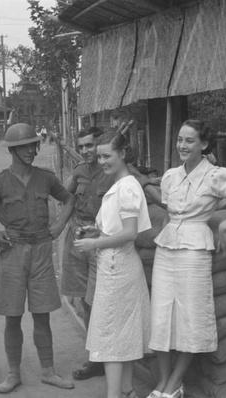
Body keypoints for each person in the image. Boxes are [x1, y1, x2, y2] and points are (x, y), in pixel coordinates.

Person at [148, 120, 226, 398]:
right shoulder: (170, 176)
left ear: (204, 144)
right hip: (166, 250)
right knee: (161, 316)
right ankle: (162, 381)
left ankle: (175, 382)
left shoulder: (216, 175)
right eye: (179, 140)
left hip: (194, 251)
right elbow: (167, 213)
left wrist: (224, 225)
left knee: (191, 316)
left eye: (189, 141)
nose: (182, 146)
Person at [0, 123, 75, 394]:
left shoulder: (46, 178)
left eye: (33, 145)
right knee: (12, 316)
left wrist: (59, 226)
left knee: (42, 316)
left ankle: (48, 371)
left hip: (42, 250)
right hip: (13, 253)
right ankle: (13, 373)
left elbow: (69, 200)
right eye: (23, 146)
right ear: (12, 150)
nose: (30, 150)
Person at [61, 126, 163, 381]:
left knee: (108, 322)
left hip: (113, 259)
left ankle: (115, 380)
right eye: (99, 156)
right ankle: (112, 375)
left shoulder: (124, 182)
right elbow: (70, 198)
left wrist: (95, 244)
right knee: (97, 312)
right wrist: (85, 230)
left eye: (105, 155)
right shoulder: (91, 175)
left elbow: (132, 228)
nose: (97, 158)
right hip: (99, 250)